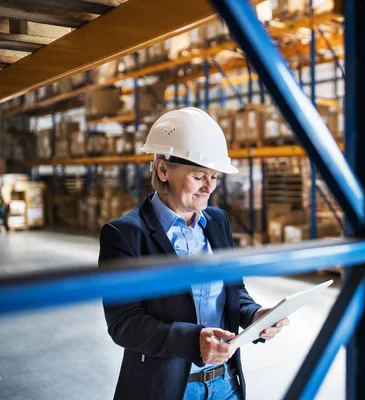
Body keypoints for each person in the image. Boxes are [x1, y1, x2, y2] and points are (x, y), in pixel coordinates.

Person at [98, 108, 289, 400]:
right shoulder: (124, 235)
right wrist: (192, 340)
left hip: (226, 384)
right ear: (163, 170)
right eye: (199, 175)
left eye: (214, 176)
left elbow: (233, 291)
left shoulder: (217, 221)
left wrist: (254, 315)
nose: (209, 186)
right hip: (167, 389)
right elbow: (124, 323)